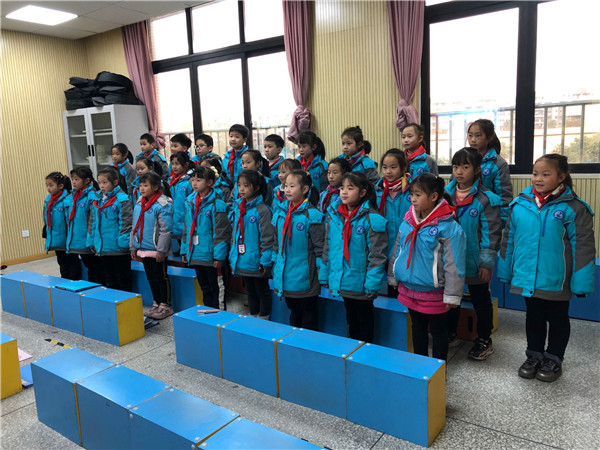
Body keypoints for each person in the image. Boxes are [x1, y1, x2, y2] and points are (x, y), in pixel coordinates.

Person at [498, 154, 595, 382]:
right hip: (527, 276)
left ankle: (553, 358)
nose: (538, 179)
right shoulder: (520, 204)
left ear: (561, 177)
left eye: (545, 174)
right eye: (535, 174)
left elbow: (583, 247)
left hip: (557, 279)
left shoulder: (574, 208)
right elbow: (508, 240)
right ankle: (534, 355)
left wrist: (580, 282)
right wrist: (505, 270)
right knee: (534, 317)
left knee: (558, 319)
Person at [389, 173, 466, 361]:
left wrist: (452, 294)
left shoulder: (448, 227)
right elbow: (398, 249)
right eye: (411, 195)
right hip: (410, 288)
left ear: (433, 196)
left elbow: (454, 263)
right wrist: (393, 275)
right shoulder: (408, 221)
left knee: (439, 331)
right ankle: (420, 365)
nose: (413, 199)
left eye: (418, 195)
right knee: (417, 327)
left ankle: (439, 369)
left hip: (435, 291)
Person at [445, 148, 502, 360]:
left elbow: (491, 233)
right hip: (450, 261)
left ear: (477, 169)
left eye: (465, 166)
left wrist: (486, 263)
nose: (459, 172)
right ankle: (451, 333)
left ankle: (484, 339)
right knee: (451, 299)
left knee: (481, 302)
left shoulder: (486, 199)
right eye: (455, 167)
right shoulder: (444, 195)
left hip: (475, 261)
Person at [320, 172, 388, 343]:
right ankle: (354, 348)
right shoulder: (335, 216)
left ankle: (365, 349)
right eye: (342, 188)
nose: (344, 192)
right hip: (344, 280)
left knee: (364, 318)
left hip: (362, 282)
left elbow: (377, 256)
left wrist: (372, 284)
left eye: (350, 188)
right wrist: (325, 274)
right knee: (351, 316)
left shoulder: (372, 220)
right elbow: (329, 247)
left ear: (363, 192)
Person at [272, 171, 325, 331]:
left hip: (306, 275)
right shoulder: (280, 213)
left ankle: (309, 341)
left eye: (292, 186)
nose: (287, 190)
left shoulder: (312, 215)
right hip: (286, 274)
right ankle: (294, 340)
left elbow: (320, 247)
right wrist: (275, 266)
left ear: (305, 189)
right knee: (294, 311)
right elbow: (276, 244)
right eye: (286, 186)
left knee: (308, 314)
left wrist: (321, 270)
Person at [181, 166, 231, 309]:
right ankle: (208, 313)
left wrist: (219, 256)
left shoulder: (217, 204)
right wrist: (185, 250)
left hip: (211, 256)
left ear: (210, 182)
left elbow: (221, 232)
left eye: (199, 180)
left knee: (216, 288)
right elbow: (186, 228)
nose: (194, 183)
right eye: (193, 180)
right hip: (196, 253)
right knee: (204, 287)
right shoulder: (190, 201)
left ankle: (219, 315)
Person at [229, 170, 275, 320]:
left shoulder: (263, 210)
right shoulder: (238, 208)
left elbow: (268, 238)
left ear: (256, 188)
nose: (241, 189)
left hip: (257, 261)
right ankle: (253, 316)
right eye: (239, 185)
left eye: (246, 185)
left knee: (262, 290)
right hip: (244, 260)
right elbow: (235, 236)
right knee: (249, 291)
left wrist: (265, 260)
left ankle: (264, 318)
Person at [130, 172, 174, 320]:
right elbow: (134, 226)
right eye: (140, 185)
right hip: (143, 248)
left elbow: (166, 230)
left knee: (161, 277)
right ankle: (156, 302)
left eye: (145, 185)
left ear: (155, 187)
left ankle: (165, 305)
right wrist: (133, 246)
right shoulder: (139, 203)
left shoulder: (163, 205)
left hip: (157, 250)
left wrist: (161, 250)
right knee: (151, 278)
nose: (142, 188)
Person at [88, 167, 133, 291]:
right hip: (104, 247)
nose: (101, 186)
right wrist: (92, 241)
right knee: (110, 278)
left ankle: (126, 301)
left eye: (105, 182)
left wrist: (123, 243)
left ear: (115, 183)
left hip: (118, 248)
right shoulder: (97, 200)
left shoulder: (122, 200)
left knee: (123, 278)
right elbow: (93, 222)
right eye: (99, 182)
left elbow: (126, 223)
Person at [467, 119, 513, 227]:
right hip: (466, 215)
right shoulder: (463, 159)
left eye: (478, 135)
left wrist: (499, 225)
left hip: (488, 218)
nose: (473, 140)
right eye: (470, 135)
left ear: (489, 137)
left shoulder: (498, 164)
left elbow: (504, 197)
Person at [66, 167, 104, 284]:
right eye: (72, 179)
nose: (73, 182)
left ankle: (98, 290)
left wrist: (91, 240)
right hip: (78, 239)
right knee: (88, 267)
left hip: (89, 240)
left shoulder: (92, 197)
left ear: (87, 180)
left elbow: (93, 221)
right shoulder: (73, 196)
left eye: (76, 179)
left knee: (95, 269)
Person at [376, 148, 411, 260]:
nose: (388, 171)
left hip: (408, 247)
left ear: (403, 168)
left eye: (393, 167)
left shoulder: (413, 191)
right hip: (383, 249)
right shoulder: (377, 192)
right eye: (385, 167)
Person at [44, 172, 79, 279]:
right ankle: (64, 283)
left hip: (68, 239)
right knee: (62, 264)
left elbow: (71, 221)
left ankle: (74, 283)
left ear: (60, 186)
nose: (48, 188)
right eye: (47, 185)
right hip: (56, 238)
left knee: (72, 264)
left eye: (51, 185)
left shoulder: (68, 200)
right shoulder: (48, 200)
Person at [168, 151, 193, 249]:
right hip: (174, 220)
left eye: (177, 164)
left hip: (185, 220)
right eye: (173, 164)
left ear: (186, 164)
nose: (174, 167)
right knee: (177, 251)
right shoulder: (171, 180)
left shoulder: (190, 181)